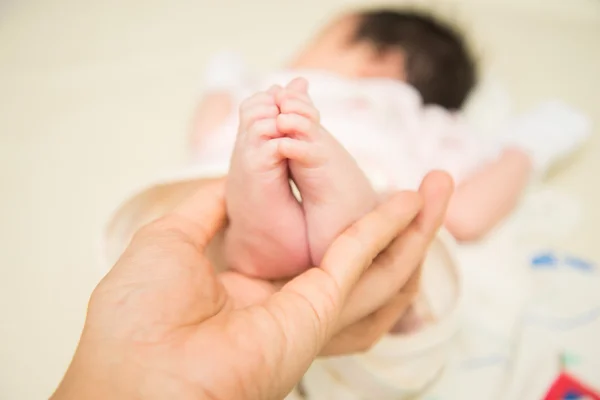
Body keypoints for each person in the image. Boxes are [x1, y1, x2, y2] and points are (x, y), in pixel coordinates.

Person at [192, 8, 590, 245]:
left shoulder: (416, 117)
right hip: (262, 211)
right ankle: (527, 145)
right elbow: (466, 213)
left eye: (314, 43)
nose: (292, 55)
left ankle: (296, 214)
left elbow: (207, 136)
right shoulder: (422, 127)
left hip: (356, 214)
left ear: (379, 61)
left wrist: (222, 86)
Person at [52, 173, 453, 400]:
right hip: (256, 205)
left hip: (373, 187)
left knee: (407, 247)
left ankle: (289, 205)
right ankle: (272, 219)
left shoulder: (419, 118)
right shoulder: (427, 122)